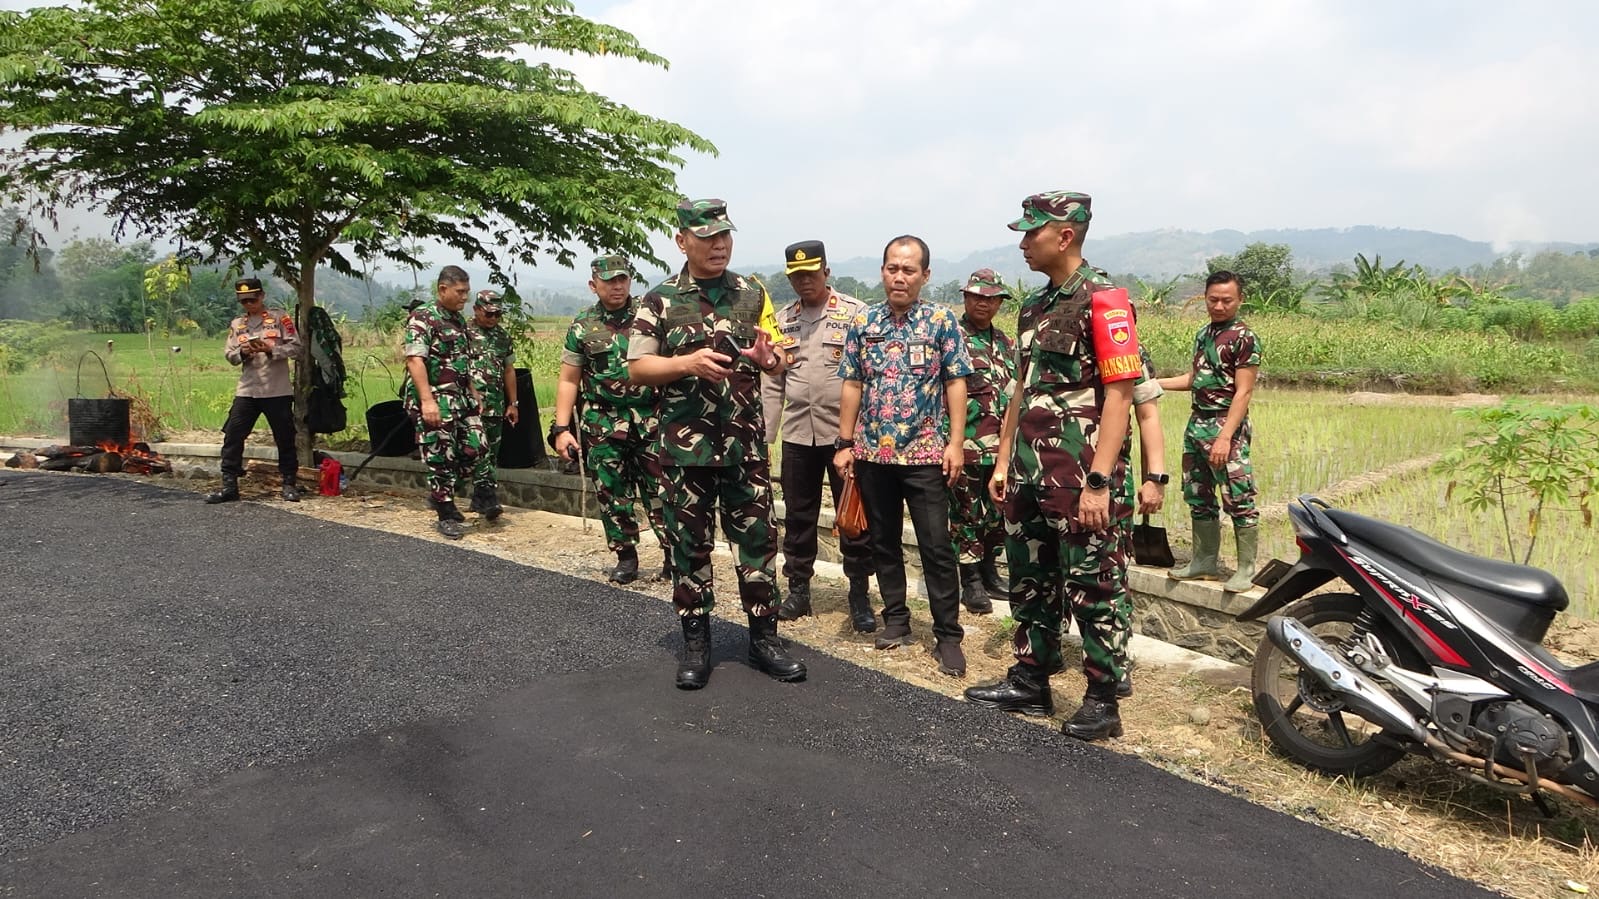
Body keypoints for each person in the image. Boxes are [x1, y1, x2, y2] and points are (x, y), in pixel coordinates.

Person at [963, 191, 1143, 742]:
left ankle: (1102, 697)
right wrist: (1001, 461)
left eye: (1031, 233)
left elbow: (1120, 396)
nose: (1022, 243)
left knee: (1094, 585)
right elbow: (1021, 390)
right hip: (1027, 474)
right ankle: (1030, 679)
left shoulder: (1106, 301)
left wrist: (1097, 483)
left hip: (1079, 477)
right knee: (1031, 580)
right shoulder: (1034, 307)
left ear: (1064, 235)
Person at [627, 198, 805, 690]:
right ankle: (696, 641)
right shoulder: (658, 300)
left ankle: (764, 638)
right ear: (683, 241)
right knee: (690, 546)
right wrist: (687, 363)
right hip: (686, 451)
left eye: (725, 236)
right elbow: (638, 369)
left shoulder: (752, 293)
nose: (719, 245)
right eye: (707, 239)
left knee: (758, 542)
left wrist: (771, 360)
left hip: (745, 444)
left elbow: (777, 357)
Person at [833, 235, 972, 677]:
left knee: (935, 546)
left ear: (925, 276)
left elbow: (956, 383)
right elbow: (852, 382)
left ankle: (948, 635)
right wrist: (844, 442)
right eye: (892, 267)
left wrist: (955, 443)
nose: (899, 276)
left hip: (926, 453)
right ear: (882, 271)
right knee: (883, 543)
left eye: (909, 269)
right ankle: (896, 620)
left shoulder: (941, 321)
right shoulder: (864, 322)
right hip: (873, 452)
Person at [762, 239, 878, 632]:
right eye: (796, 276)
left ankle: (859, 594)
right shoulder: (783, 320)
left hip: (844, 436)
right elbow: (773, 381)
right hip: (798, 435)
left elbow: (869, 377)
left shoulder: (855, 314)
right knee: (797, 515)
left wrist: (865, 434)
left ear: (826, 272)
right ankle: (798, 590)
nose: (803, 282)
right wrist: (768, 435)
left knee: (853, 517)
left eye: (810, 274)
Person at [551, 254, 672, 585]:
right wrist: (561, 429)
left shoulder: (649, 318)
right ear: (594, 286)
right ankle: (626, 556)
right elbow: (568, 380)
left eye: (622, 279)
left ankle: (671, 556)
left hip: (651, 420)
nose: (617, 286)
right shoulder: (583, 326)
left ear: (630, 281)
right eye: (609, 281)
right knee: (611, 492)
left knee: (661, 491)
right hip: (603, 424)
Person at [1159, 270, 1262, 592]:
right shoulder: (1204, 334)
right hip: (1197, 424)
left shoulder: (1245, 338)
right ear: (1204, 298)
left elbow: (1243, 392)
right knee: (1198, 495)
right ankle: (1204, 561)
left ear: (1240, 300)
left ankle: (1245, 568)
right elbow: (1194, 378)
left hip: (1224, 425)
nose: (1219, 306)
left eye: (1226, 300)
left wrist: (1224, 437)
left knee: (1238, 496)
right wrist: (1152, 384)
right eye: (1213, 299)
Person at [948, 268, 1016, 615]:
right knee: (964, 514)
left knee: (996, 515)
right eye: (977, 297)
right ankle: (970, 579)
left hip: (1001, 450)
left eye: (991, 299)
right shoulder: (951, 338)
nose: (983, 304)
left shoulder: (1006, 344)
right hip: (967, 446)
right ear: (965, 297)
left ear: (999, 303)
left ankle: (989, 570)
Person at [403, 265, 487, 540]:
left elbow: (463, 360)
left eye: (467, 291)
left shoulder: (458, 320)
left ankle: (441, 495)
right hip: (435, 398)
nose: (465, 298)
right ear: (443, 289)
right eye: (460, 292)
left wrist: (473, 390)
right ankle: (445, 511)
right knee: (440, 455)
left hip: (460, 398)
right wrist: (427, 401)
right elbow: (415, 359)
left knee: (476, 447)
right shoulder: (423, 317)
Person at [207, 277, 303, 504]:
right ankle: (229, 485)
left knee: (285, 438)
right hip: (247, 389)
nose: (248, 304)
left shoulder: (280, 318)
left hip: (276, 389)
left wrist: (271, 349)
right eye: (243, 301)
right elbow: (229, 355)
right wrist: (243, 352)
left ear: (262, 296)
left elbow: (297, 348)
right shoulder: (237, 324)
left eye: (252, 299)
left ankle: (289, 484)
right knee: (233, 435)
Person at [466, 289, 519, 521]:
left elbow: (508, 370)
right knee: (477, 451)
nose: (493, 319)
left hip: (494, 406)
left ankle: (483, 498)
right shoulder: (462, 333)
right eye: (489, 314)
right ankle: (485, 497)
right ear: (476, 309)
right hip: (467, 407)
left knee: (491, 454)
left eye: (498, 315)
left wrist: (513, 403)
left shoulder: (502, 337)